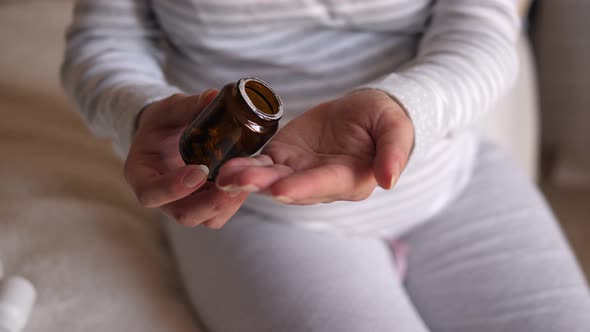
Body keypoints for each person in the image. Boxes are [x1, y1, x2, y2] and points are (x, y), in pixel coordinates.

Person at [62, 1, 590, 331]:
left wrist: (405, 109)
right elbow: (102, 43)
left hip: (451, 182)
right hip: (252, 208)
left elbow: (487, 31)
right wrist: (141, 110)